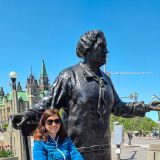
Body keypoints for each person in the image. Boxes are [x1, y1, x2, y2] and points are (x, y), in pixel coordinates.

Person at [11, 30, 160, 160]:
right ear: (87, 49)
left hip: (104, 152)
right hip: (77, 152)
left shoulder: (106, 80)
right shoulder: (69, 76)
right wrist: (27, 115)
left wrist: (147, 107)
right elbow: (48, 103)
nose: (106, 51)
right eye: (101, 46)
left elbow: (119, 107)